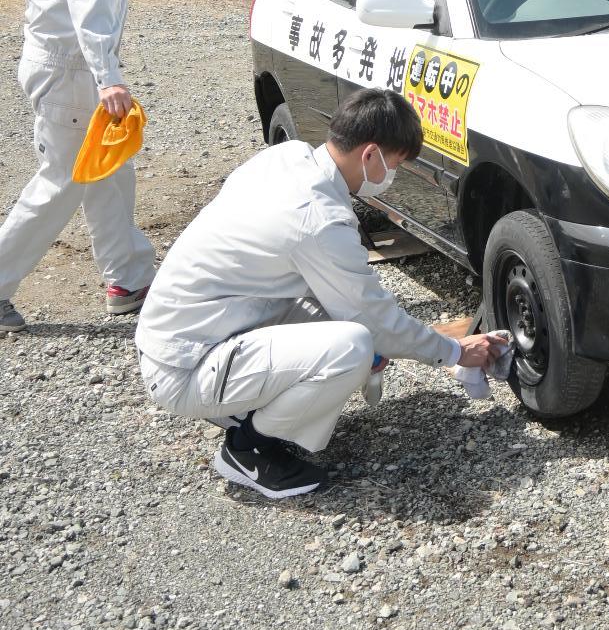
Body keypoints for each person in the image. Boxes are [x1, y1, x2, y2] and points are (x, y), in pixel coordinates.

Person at [135, 90, 508, 501]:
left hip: (186, 332)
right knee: (352, 344)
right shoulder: (317, 218)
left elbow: (352, 301)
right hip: (184, 368)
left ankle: (241, 405)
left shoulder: (289, 157)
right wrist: (454, 353)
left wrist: (407, 342)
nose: (392, 175)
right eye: (395, 164)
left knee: (351, 329)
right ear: (370, 155)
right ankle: (249, 448)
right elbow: (374, 319)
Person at [0, 0, 155, 333]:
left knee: (109, 169)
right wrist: (108, 76)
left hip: (69, 65)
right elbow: (90, 6)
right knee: (62, 181)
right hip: (72, 70)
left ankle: (127, 279)